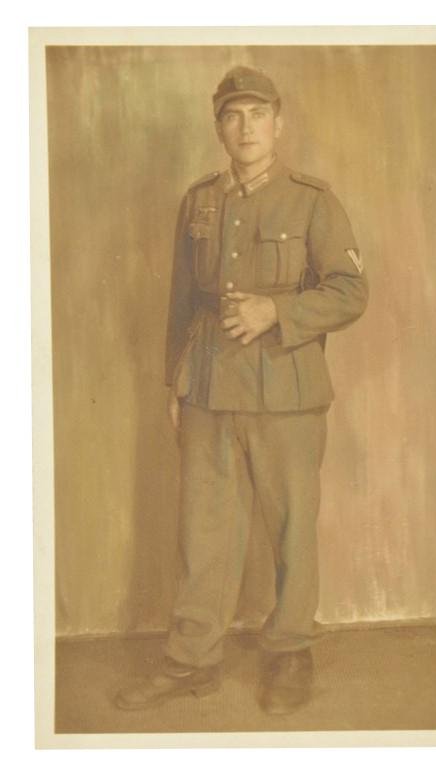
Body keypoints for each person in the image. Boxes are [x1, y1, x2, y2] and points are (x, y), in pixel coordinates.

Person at [115, 65, 368, 715]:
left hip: (286, 390)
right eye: (233, 115)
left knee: (290, 529)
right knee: (203, 532)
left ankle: (290, 652)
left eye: (258, 114)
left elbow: (350, 291)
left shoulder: (313, 201)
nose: (246, 127)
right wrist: (176, 379)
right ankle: (192, 659)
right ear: (219, 128)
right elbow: (182, 299)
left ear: (278, 123)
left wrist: (276, 311)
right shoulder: (199, 201)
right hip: (207, 386)